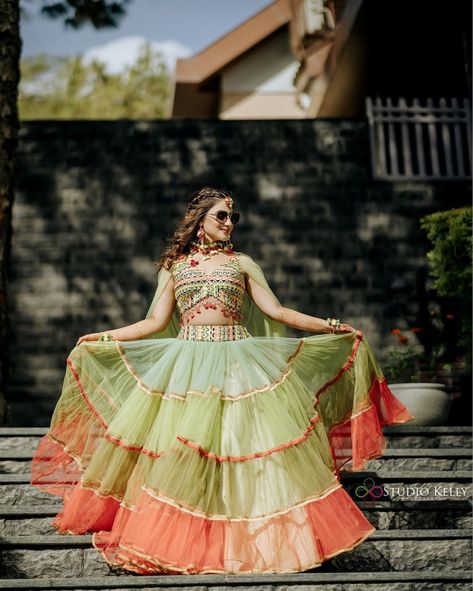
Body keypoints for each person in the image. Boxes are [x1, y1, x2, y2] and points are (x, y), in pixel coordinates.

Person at [31, 186, 413, 575]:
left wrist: (329, 326)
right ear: (200, 222)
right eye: (222, 216)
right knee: (184, 454)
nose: (230, 223)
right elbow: (154, 323)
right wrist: (103, 336)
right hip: (188, 367)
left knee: (246, 449)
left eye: (234, 217)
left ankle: (264, 543)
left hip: (238, 364)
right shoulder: (174, 266)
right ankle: (185, 541)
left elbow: (277, 311)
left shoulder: (243, 263)